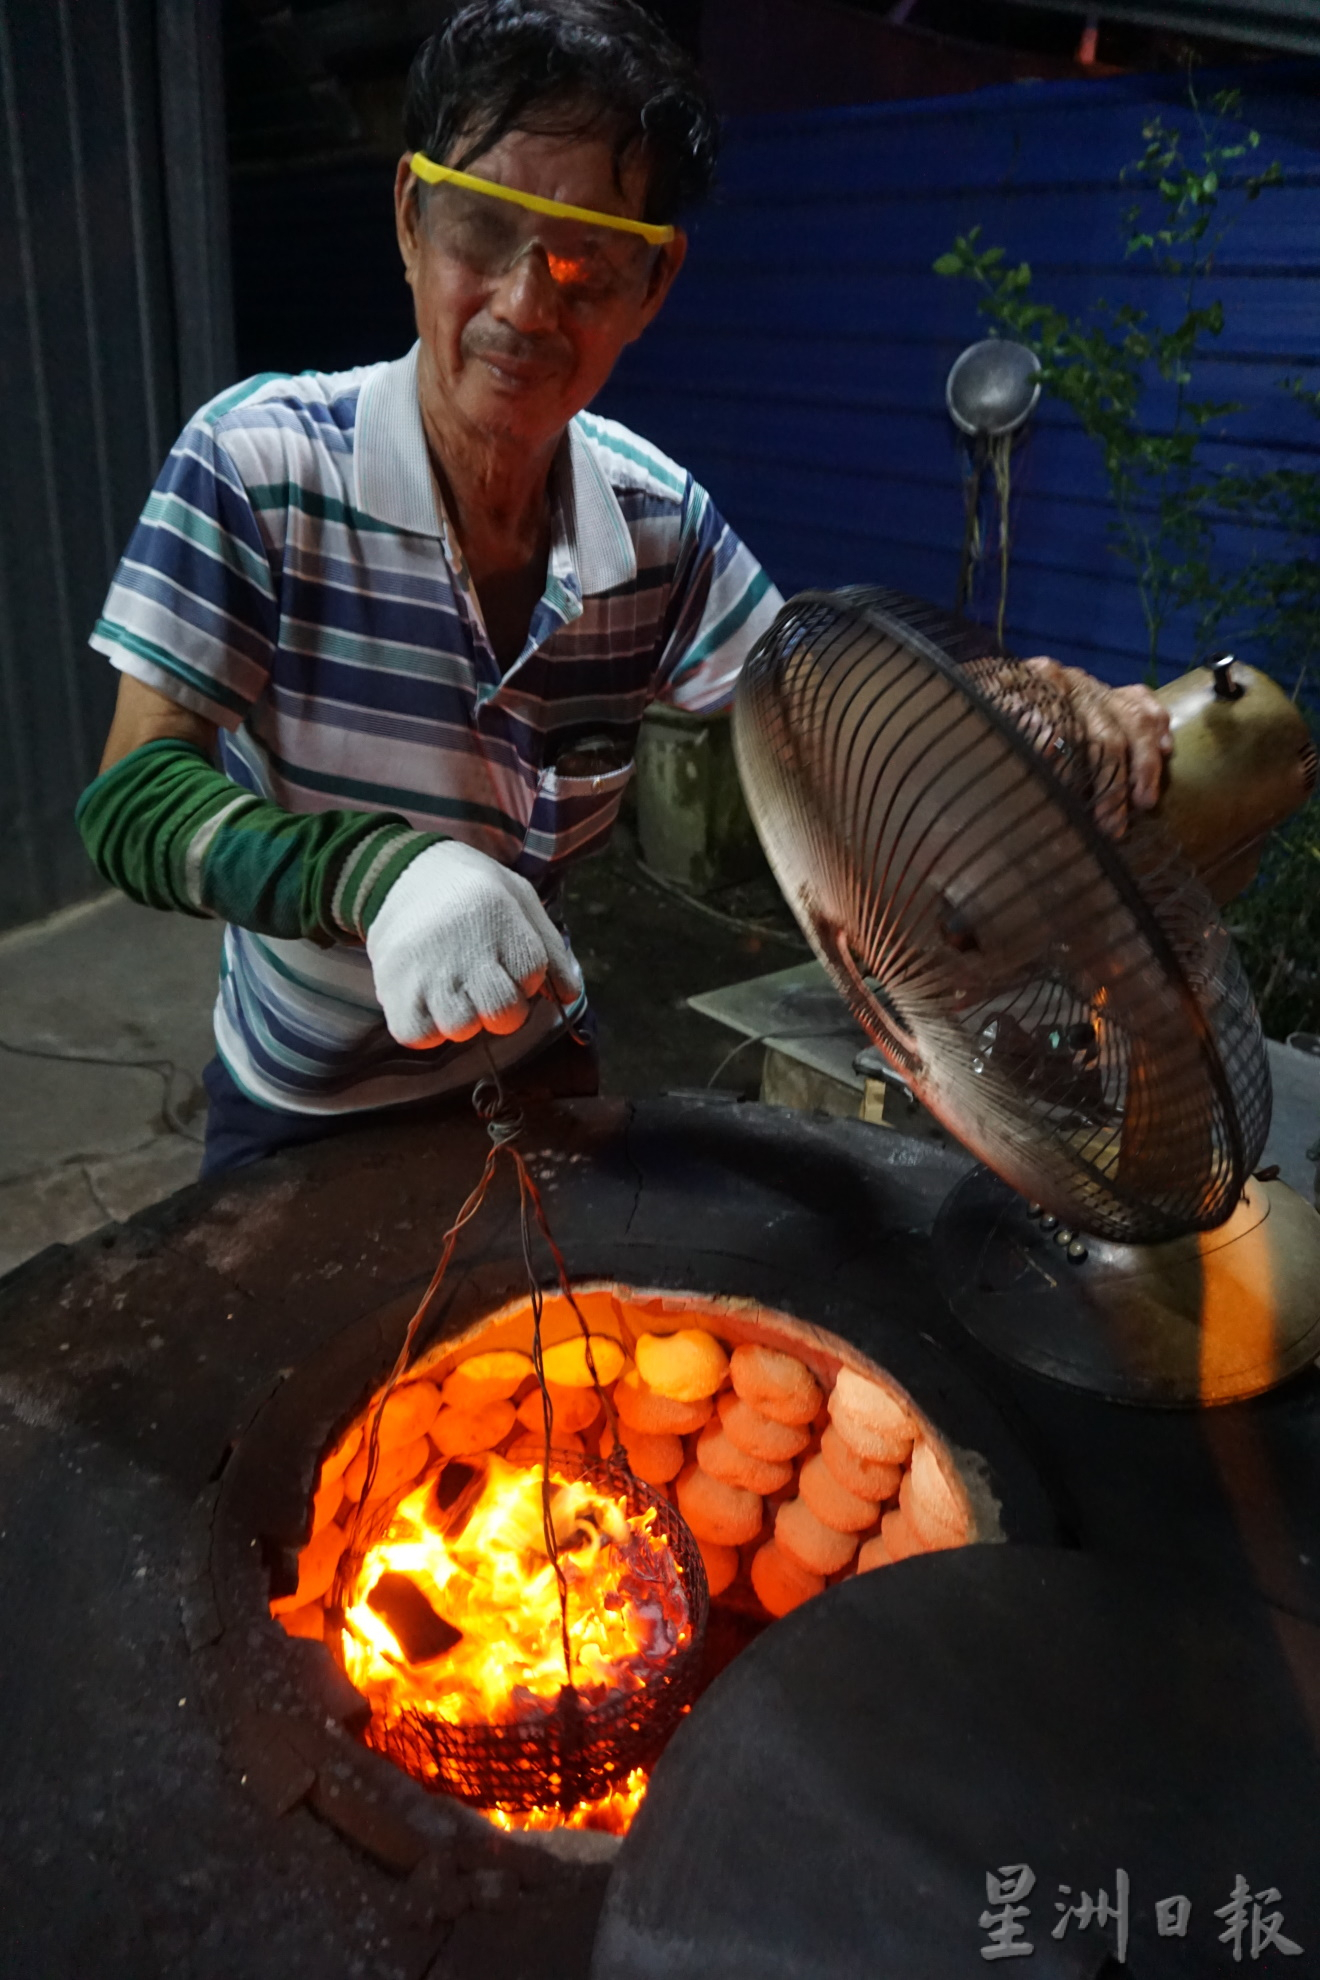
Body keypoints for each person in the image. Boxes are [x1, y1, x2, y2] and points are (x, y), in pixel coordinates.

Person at [76, 0, 1170, 1178]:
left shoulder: (660, 532)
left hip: (539, 1073)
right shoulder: (259, 466)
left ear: (653, 284)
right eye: (481, 232)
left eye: (585, 261)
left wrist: (1024, 704)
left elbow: (833, 723)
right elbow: (130, 800)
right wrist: (374, 874)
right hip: (305, 1105)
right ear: (407, 218)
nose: (524, 305)